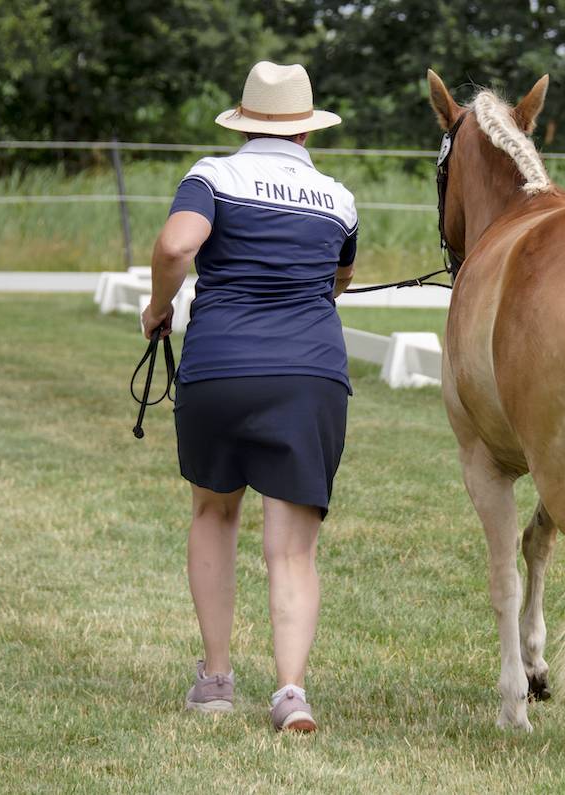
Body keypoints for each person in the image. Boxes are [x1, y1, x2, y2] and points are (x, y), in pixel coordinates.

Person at [141, 61, 358, 733]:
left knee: (214, 514)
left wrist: (159, 306)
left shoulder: (212, 176)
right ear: (306, 131)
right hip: (310, 375)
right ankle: (291, 692)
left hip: (220, 368)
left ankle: (215, 680)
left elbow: (177, 245)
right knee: (292, 548)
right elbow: (339, 279)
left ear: (243, 123)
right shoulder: (339, 198)